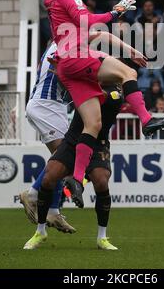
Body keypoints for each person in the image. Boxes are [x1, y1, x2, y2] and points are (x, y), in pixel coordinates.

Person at [33, 0, 164, 207]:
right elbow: (87, 20)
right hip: (78, 58)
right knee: (128, 74)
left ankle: (75, 180)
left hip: (66, 68)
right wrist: (115, 11)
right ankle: (147, 120)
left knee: (92, 124)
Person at [23, 87, 123, 251]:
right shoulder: (85, 81)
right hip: (73, 140)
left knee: (101, 181)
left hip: (98, 143)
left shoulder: (116, 95)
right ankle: (40, 231)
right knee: (49, 177)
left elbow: (102, 100)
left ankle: (102, 237)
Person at [19, 42, 75, 234]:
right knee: (65, 157)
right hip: (47, 105)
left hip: (51, 105)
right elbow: (63, 74)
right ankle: (33, 194)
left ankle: (52, 210)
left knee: (61, 161)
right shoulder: (65, 43)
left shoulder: (61, 42)